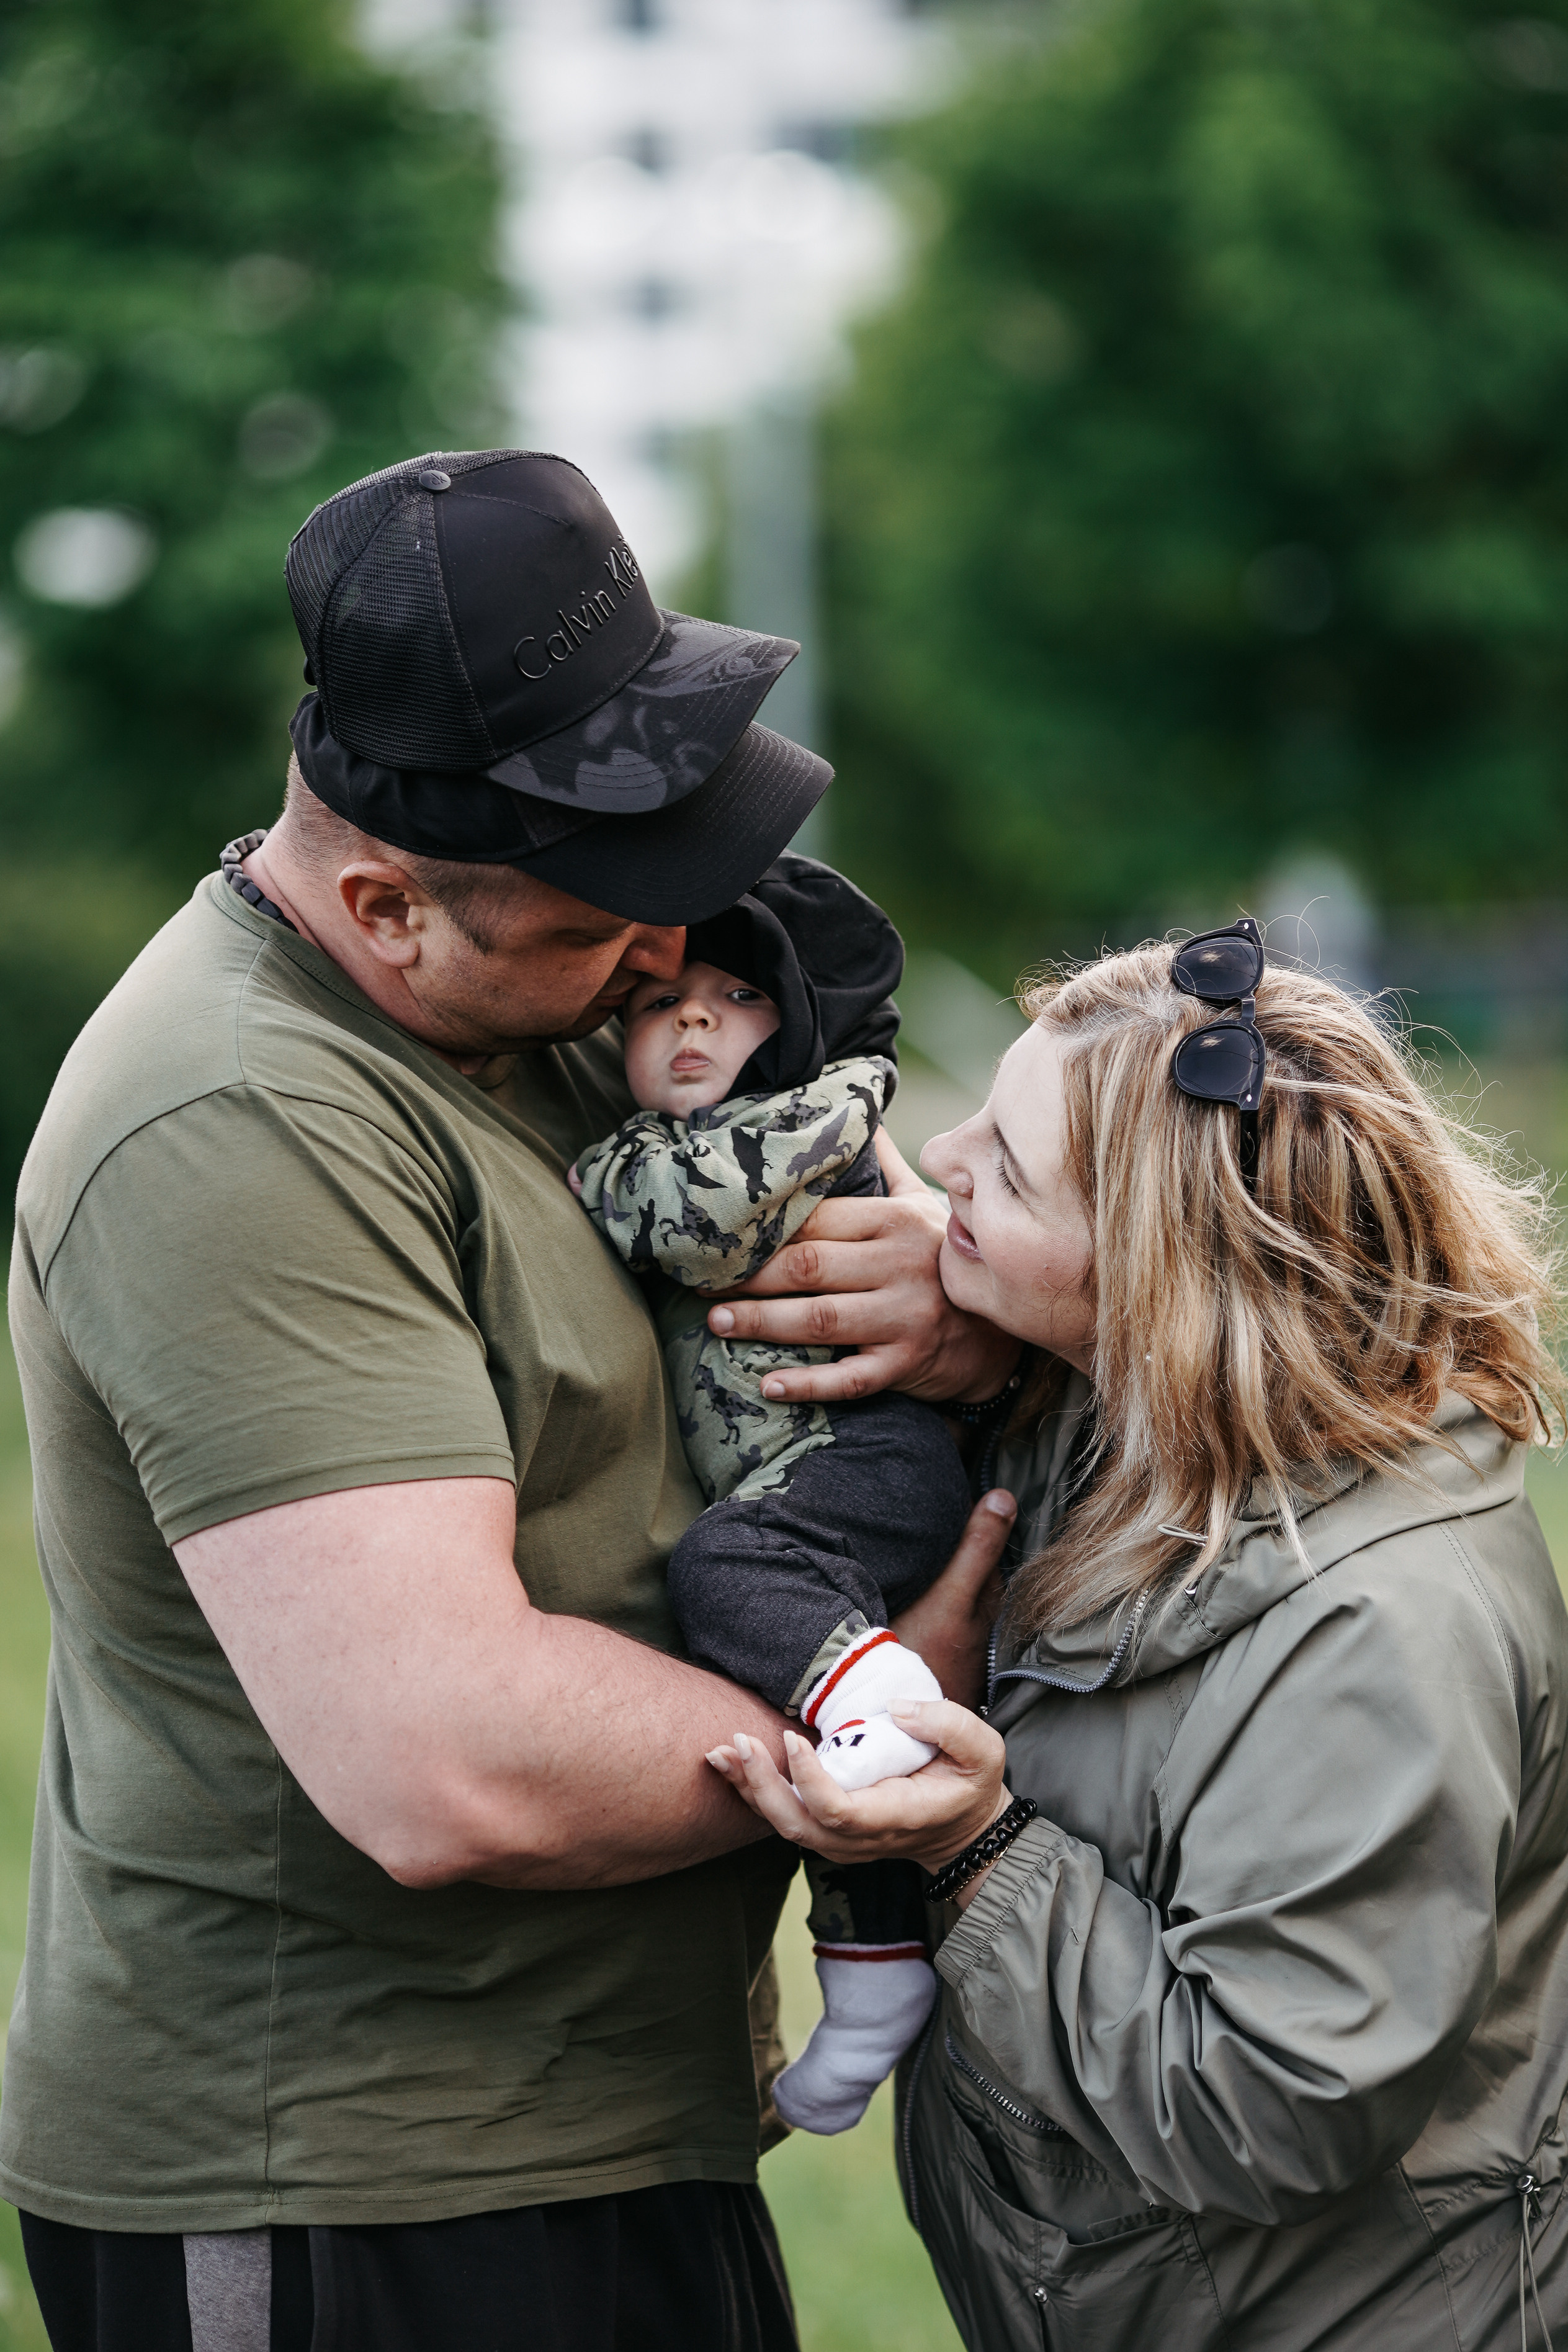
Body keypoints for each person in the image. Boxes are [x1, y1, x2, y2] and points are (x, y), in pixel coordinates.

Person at [0, 447, 1018, 2352]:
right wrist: (865, 1706)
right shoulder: (237, 1119)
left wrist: (940, 1315)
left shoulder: (540, 1002)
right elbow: (443, 1756)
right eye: (604, 907)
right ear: (384, 906)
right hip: (343, 2190)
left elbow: (763, 1300)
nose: (672, 947)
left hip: (602, 2130)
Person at [711, 925, 1568, 2351]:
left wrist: (975, 1844)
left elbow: (1275, 2107)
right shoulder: (1130, 1424)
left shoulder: (1380, 1631)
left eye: (1010, 1167)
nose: (945, 1153)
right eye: (980, 1110)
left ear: (1160, 1274)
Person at [573, 857, 980, 2135]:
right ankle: (871, 1992)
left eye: (735, 993)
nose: (690, 1019)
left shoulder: (806, 1119)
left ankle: (897, 1714)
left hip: (869, 1457)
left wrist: (593, 1173)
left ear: (796, 1024)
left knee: (727, 1568)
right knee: (808, 1720)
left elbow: (680, 1224)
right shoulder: (736, 1118)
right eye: (659, 1001)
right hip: (820, 1471)